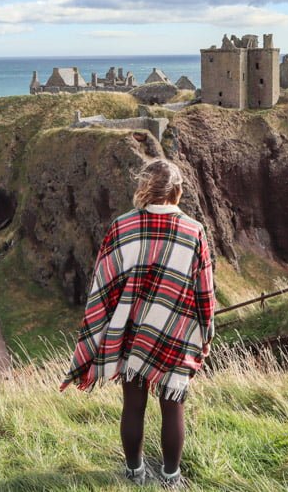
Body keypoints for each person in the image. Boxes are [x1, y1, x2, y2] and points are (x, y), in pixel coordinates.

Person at [60, 158, 215, 488]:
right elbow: (204, 289)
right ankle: (172, 478)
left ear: (143, 189)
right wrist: (206, 332)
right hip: (176, 332)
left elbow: (104, 284)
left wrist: (102, 329)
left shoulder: (123, 227)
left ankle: (135, 473)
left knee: (133, 405)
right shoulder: (193, 231)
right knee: (173, 406)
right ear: (178, 191)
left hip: (131, 332)